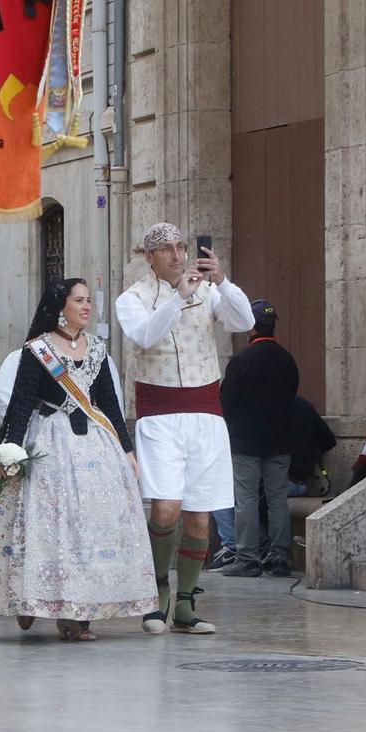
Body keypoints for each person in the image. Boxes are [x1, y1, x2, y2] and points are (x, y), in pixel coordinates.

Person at [0, 279, 157, 639]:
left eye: (87, 301)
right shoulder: (38, 351)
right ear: (59, 307)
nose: (86, 307)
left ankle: (78, 613)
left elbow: (109, 404)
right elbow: (19, 405)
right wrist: (10, 451)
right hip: (50, 443)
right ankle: (32, 598)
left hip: (95, 446)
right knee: (49, 527)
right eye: (78, 300)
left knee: (88, 529)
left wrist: (127, 450)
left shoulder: (97, 349)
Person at [114, 223, 255, 636]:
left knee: (199, 514)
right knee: (166, 507)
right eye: (167, 250)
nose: (178, 256)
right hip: (159, 413)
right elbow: (145, 335)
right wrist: (179, 298)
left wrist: (222, 280)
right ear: (149, 257)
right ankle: (157, 591)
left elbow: (243, 320)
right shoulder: (132, 299)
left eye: (181, 247)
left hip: (206, 413)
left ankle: (187, 603)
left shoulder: (207, 292)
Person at [219, 305, 298, 577]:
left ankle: (248, 557)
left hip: (246, 442)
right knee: (278, 498)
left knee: (246, 499)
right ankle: (279, 556)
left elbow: (225, 402)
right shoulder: (287, 360)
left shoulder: (242, 361)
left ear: (251, 327)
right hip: (279, 440)